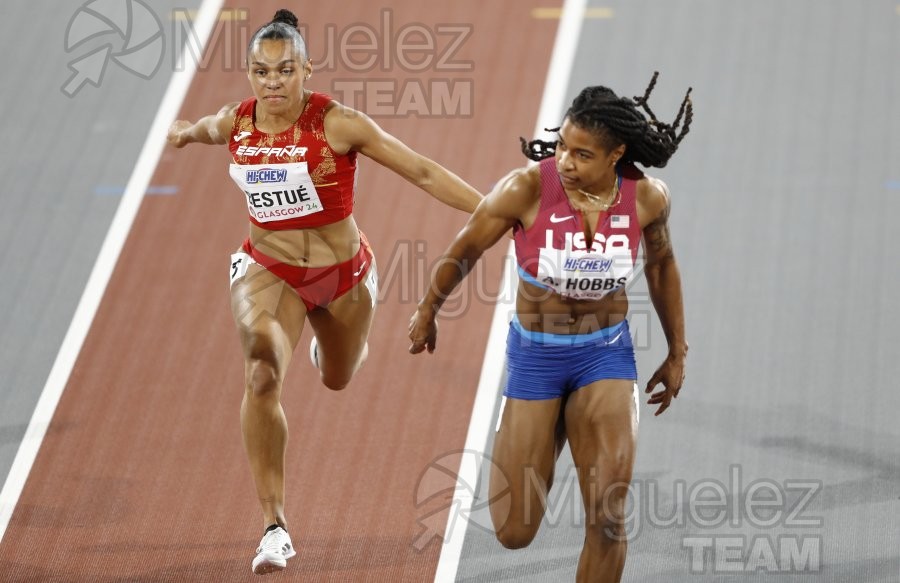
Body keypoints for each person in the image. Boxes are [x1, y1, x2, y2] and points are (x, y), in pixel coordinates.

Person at [166, 9, 482, 576]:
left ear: (307, 69)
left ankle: (328, 343)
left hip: (343, 277)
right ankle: (274, 526)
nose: (272, 84)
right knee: (261, 371)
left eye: (284, 71)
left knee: (339, 376)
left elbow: (425, 173)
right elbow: (206, 128)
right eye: (261, 73)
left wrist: (496, 213)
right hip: (270, 270)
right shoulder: (237, 123)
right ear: (248, 74)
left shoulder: (338, 124)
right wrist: (185, 134)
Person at [408, 73, 692, 582]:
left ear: (615, 155)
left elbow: (662, 267)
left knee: (607, 518)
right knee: (514, 532)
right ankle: (538, 426)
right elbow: (465, 249)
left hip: (604, 354)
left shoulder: (647, 200)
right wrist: (429, 309)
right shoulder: (525, 189)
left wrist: (677, 353)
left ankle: (573, 422)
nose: (564, 161)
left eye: (582, 154)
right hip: (536, 355)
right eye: (562, 146)